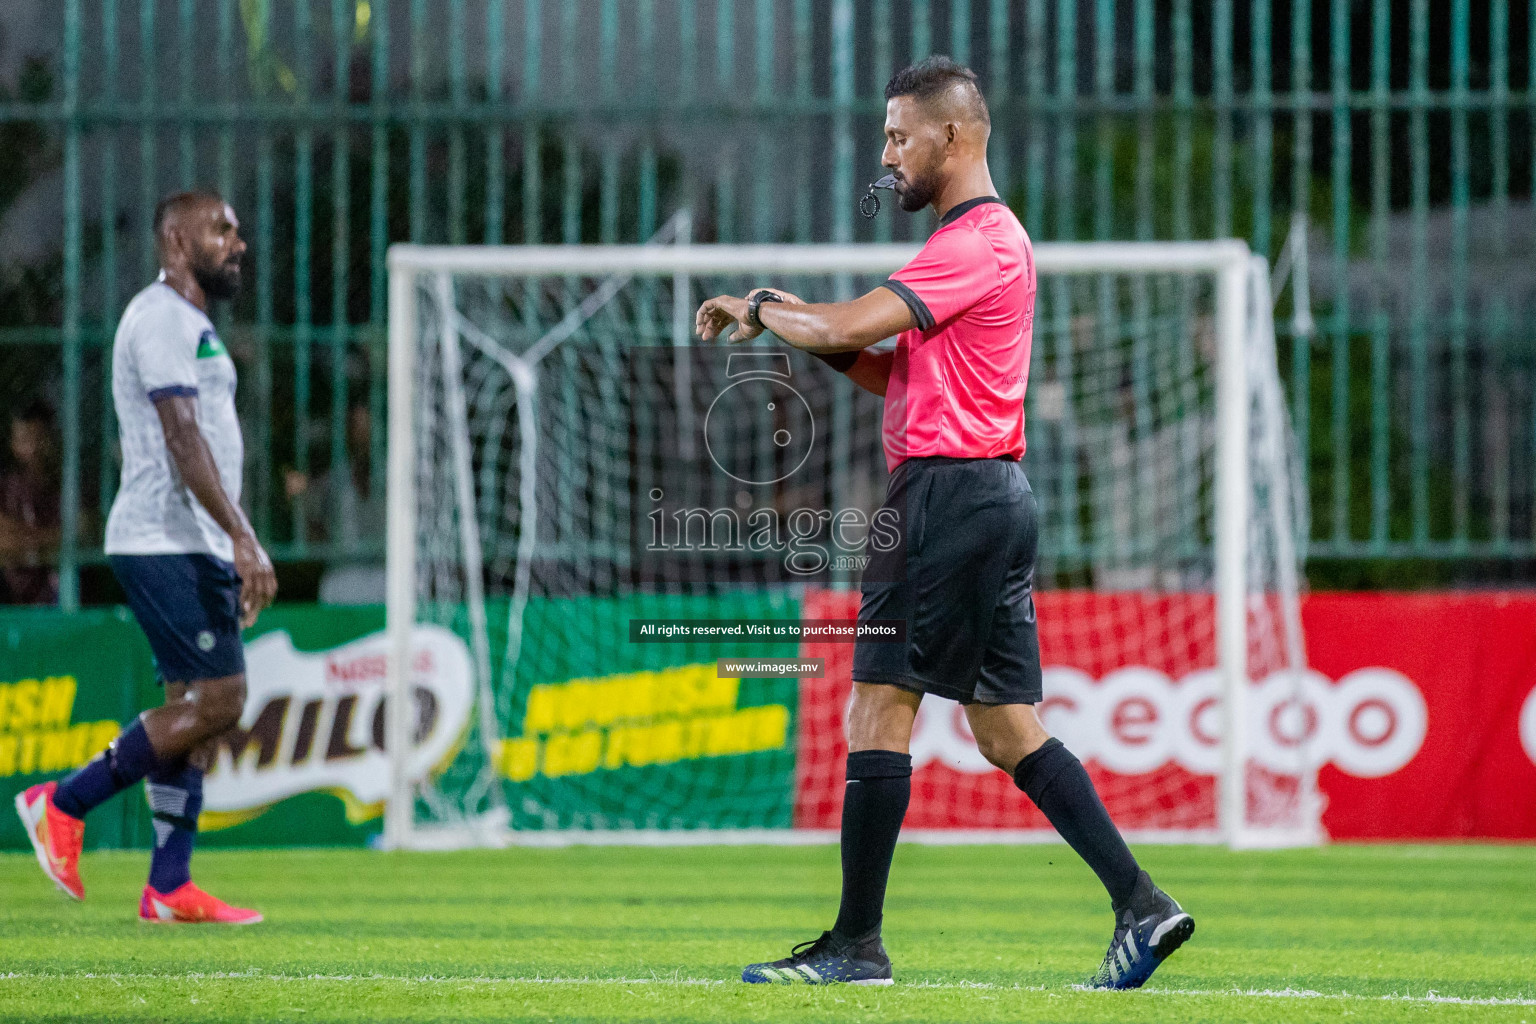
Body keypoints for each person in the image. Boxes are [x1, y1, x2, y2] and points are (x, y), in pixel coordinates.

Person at [695, 57, 1193, 989]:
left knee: (877, 706)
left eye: (898, 135)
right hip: (988, 497)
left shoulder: (973, 242)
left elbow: (849, 325)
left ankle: (855, 946)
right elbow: (888, 363)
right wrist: (808, 325)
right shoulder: (985, 244)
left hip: (946, 500)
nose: (887, 154)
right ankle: (1143, 905)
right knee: (1006, 731)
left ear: (953, 136)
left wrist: (767, 307)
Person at [14, 191, 276, 924]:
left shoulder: (190, 323)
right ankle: (61, 803)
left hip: (186, 537)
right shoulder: (161, 318)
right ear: (174, 237)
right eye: (221, 228)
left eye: (237, 228)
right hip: (165, 538)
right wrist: (242, 537)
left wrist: (230, 535)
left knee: (189, 712)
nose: (238, 241)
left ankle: (168, 884)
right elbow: (182, 437)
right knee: (220, 701)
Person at [284, 399, 386, 604]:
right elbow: (312, 532)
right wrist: (298, 501)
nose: (362, 436)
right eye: (356, 428)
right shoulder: (333, 481)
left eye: (367, 427)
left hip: (383, 573)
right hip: (343, 574)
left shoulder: (394, 478)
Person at [0, 400, 63, 604]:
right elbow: (4, 542)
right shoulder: (7, 487)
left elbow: (83, 533)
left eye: (40, 439)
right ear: (13, 444)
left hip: (55, 594)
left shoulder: (67, 485)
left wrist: (21, 536)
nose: (33, 449)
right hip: (12, 593)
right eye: (25, 440)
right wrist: (53, 538)